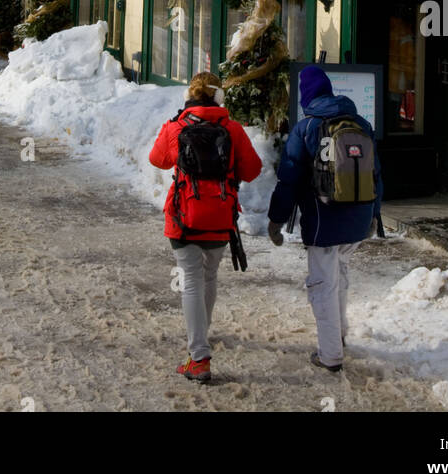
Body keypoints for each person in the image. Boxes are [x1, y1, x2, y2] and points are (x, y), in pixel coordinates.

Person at [149, 70, 262, 383]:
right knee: (208, 276)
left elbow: (157, 159)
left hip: (183, 216)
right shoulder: (232, 128)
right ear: (219, 97)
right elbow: (252, 170)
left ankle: (198, 356)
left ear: (190, 95)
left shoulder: (176, 126)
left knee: (191, 280)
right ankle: (200, 336)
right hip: (220, 215)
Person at [267, 66, 381, 374]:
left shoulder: (307, 128)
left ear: (306, 95)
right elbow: (376, 174)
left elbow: (288, 179)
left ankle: (330, 355)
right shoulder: (361, 123)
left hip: (323, 219)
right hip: (359, 218)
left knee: (322, 285)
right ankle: (339, 335)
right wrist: (374, 214)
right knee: (340, 275)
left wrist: (276, 220)